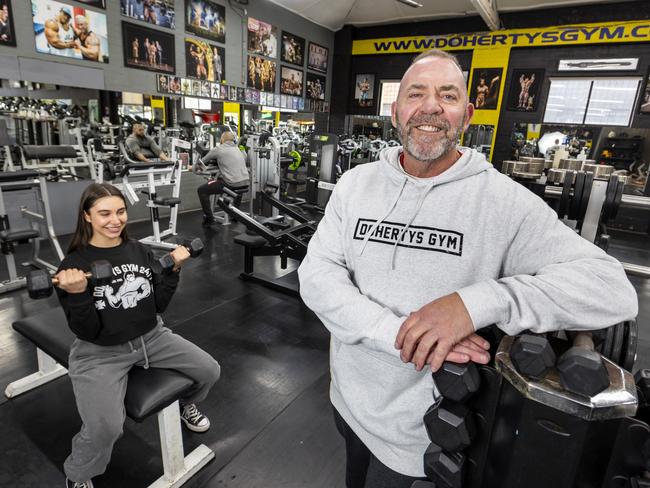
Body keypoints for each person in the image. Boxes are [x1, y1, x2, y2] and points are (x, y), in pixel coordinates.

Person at [297, 48, 638, 487]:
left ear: (467, 113)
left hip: (424, 436)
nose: (431, 106)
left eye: (448, 95)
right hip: (347, 401)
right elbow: (318, 276)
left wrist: (475, 303)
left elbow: (612, 288)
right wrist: (393, 333)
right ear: (397, 109)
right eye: (416, 94)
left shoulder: (502, 202)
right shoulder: (355, 185)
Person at [56, 183, 221, 488]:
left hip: (152, 338)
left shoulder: (138, 250)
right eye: (104, 213)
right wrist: (79, 294)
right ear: (87, 216)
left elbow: (157, 306)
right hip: (99, 350)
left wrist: (173, 271)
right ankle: (78, 474)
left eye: (120, 211)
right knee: (106, 429)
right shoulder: (73, 266)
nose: (115, 220)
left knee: (210, 371)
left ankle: (187, 404)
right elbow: (87, 330)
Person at [193, 131, 249, 227]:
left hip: (231, 184)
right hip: (245, 182)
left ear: (222, 140)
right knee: (236, 182)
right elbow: (243, 159)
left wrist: (193, 167)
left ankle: (209, 219)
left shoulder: (218, 149)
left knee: (201, 190)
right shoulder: (239, 149)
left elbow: (201, 163)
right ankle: (235, 215)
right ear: (233, 140)